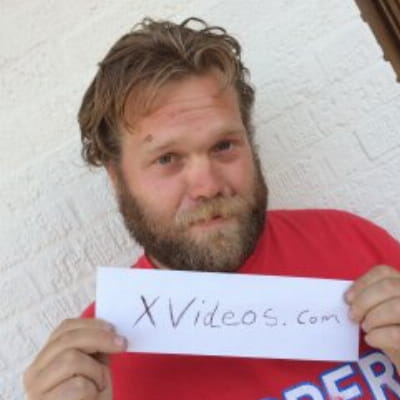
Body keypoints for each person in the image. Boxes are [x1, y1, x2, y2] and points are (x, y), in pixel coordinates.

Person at [23, 17, 400, 400]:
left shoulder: (352, 244)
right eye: (167, 158)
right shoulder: (92, 365)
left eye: (224, 146)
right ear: (117, 178)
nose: (208, 187)